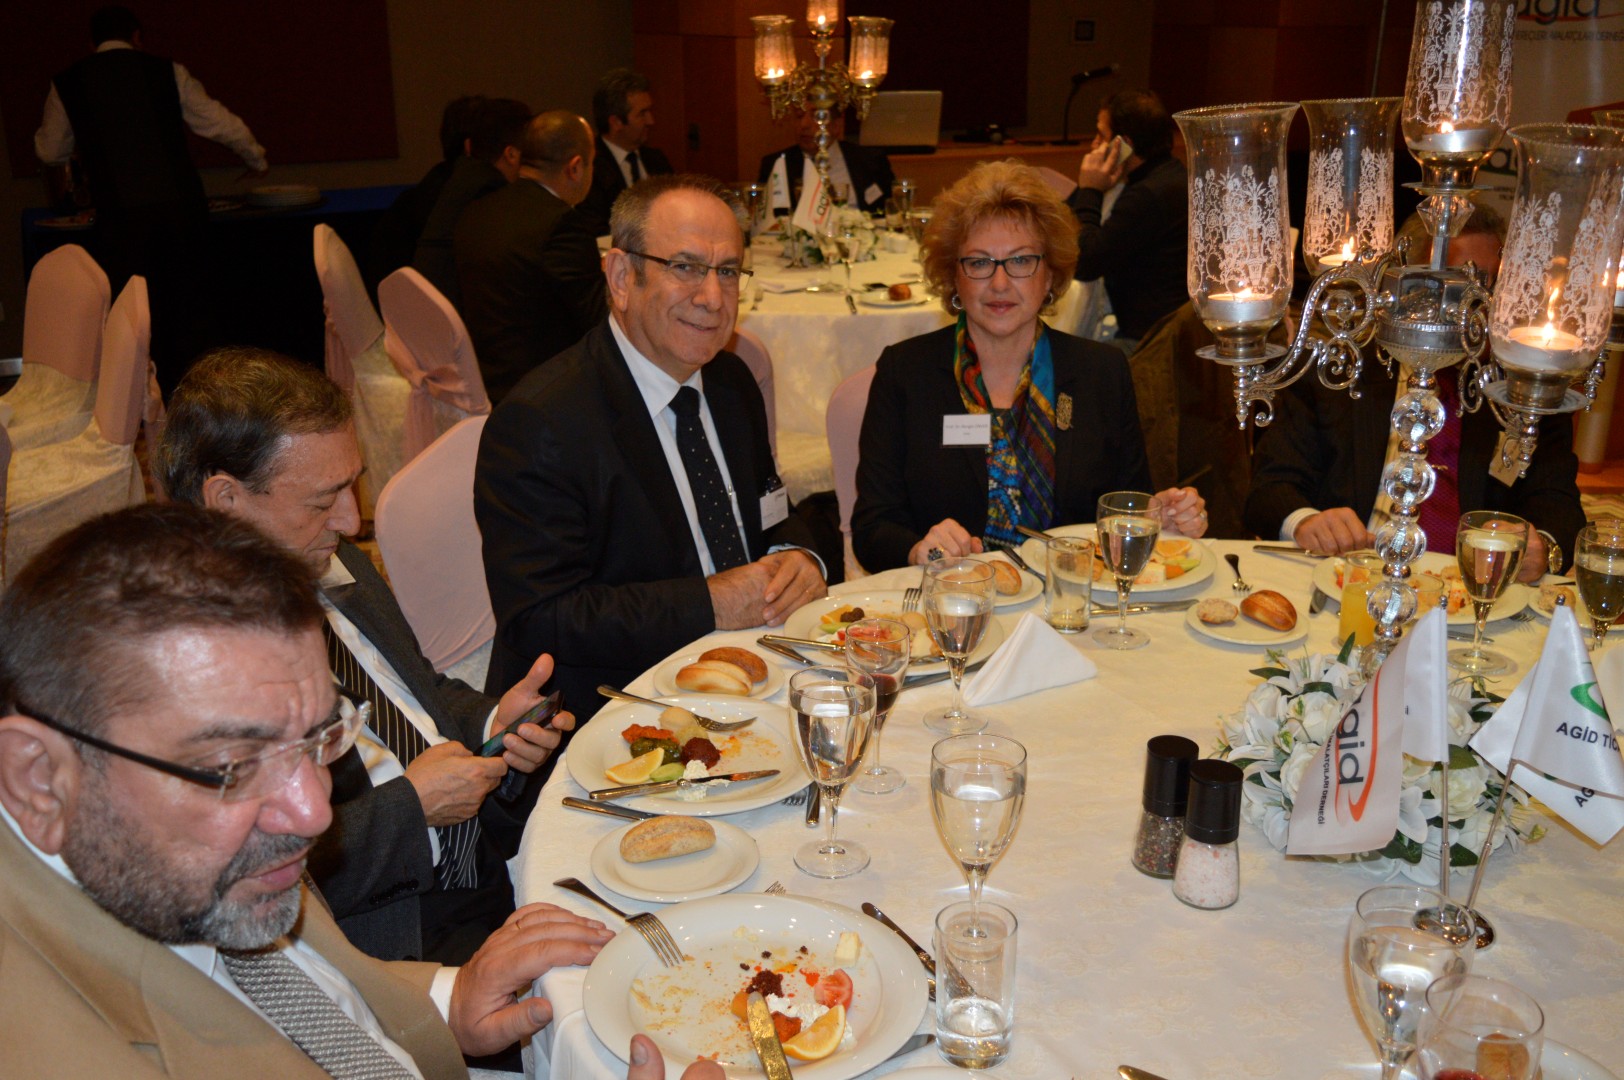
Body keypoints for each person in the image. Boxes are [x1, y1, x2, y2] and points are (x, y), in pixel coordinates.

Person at [0, 503, 722, 1080]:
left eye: (321, 739)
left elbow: (312, 985)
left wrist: (451, 999)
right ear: (37, 777)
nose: (314, 813)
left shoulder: (192, 861)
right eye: (234, 766)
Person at [155, 347, 569, 973]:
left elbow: (416, 690)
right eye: (322, 500)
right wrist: (412, 808)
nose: (351, 520)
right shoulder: (184, 671)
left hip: (487, 854)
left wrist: (493, 724)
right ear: (227, 500)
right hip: (393, 937)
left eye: (351, 484)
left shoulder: (323, 554)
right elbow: (239, 880)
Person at [475, 174, 827, 717]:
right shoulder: (541, 422)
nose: (712, 299)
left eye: (727, 271)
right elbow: (541, 615)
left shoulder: (731, 382)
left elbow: (770, 507)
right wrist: (709, 603)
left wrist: (797, 556)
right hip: (618, 703)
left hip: (755, 672)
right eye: (685, 267)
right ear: (621, 277)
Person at [852, 160, 1208, 572]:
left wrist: (1161, 518)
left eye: (1021, 261)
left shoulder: (1101, 372)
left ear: (1050, 275)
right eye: (979, 263)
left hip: (1070, 596)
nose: (1000, 283)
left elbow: (1126, 506)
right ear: (953, 277)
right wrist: (920, 550)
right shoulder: (905, 373)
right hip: (953, 598)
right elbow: (872, 529)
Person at [1244, 203, 1581, 581]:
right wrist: (1305, 522)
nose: (1468, 308)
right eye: (1450, 285)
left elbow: (1559, 507)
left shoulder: (1525, 392)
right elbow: (1269, 490)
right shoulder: (1337, 372)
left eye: (1485, 287)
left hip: (1469, 589)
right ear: (1399, 286)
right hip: (1349, 576)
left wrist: (1543, 549)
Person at [34, 4, 268, 395]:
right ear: (137, 37)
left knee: (134, 319)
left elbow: (50, 150)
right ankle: (205, 399)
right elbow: (218, 122)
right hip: (180, 215)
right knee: (191, 315)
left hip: (120, 222)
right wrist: (255, 158)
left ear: (91, 42)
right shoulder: (167, 71)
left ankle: (139, 404)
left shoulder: (67, 83)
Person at [453, 110, 608, 403]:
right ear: (575, 167)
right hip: (546, 390)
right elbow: (599, 319)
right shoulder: (561, 224)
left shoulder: (477, 211)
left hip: (485, 380)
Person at [1066, 89, 1188, 356]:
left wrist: (1091, 190)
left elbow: (1084, 261)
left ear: (1123, 145)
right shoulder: (1169, 175)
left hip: (1150, 344)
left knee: (1064, 363)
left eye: (1101, 136)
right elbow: (1065, 218)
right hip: (1163, 334)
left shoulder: (1149, 195)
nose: (1093, 145)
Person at [411, 97, 531, 305]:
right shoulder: (489, 190)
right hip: (452, 309)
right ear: (511, 154)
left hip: (427, 304)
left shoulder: (464, 177)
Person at [366, 94, 485, 298]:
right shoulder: (465, 203)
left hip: (398, 306)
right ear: (470, 147)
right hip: (421, 309)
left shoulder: (426, 189)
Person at [576, 68, 674, 237]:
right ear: (616, 122)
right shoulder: (590, 167)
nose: (651, 121)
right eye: (642, 114)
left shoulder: (656, 160)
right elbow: (596, 229)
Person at [756, 108, 895, 213]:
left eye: (816, 116)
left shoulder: (871, 160)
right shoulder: (776, 164)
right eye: (799, 116)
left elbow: (891, 211)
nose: (804, 125)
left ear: (836, 125)